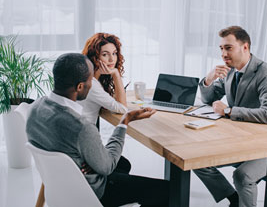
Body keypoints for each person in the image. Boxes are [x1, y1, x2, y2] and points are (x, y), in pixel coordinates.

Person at [26, 53, 169, 207]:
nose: (92, 83)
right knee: (167, 191)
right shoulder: (81, 127)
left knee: (122, 164)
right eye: (90, 81)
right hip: (90, 192)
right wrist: (124, 122)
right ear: (80, 86)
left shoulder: (35, 107)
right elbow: (106, 167)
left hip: (61, 184)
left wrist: (80, 161)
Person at [193, 26, 267, 207]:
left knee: (242, 176)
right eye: (221, 49)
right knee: (196, 159)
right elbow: (209, 99)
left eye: (228, 48)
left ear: (245, 47)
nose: (223, 53)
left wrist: (228, 111)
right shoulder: (231, 70)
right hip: (240, 139)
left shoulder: (266, 73)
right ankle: (234, 200)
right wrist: (208, 79)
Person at [80, 33, 128, 126]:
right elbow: (122, 109)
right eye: (105, 54)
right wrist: (116, 75)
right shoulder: (90, 84)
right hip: (81, 135)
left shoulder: (88, 77)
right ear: (94, 57)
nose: (112, 59)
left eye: (114, 53)